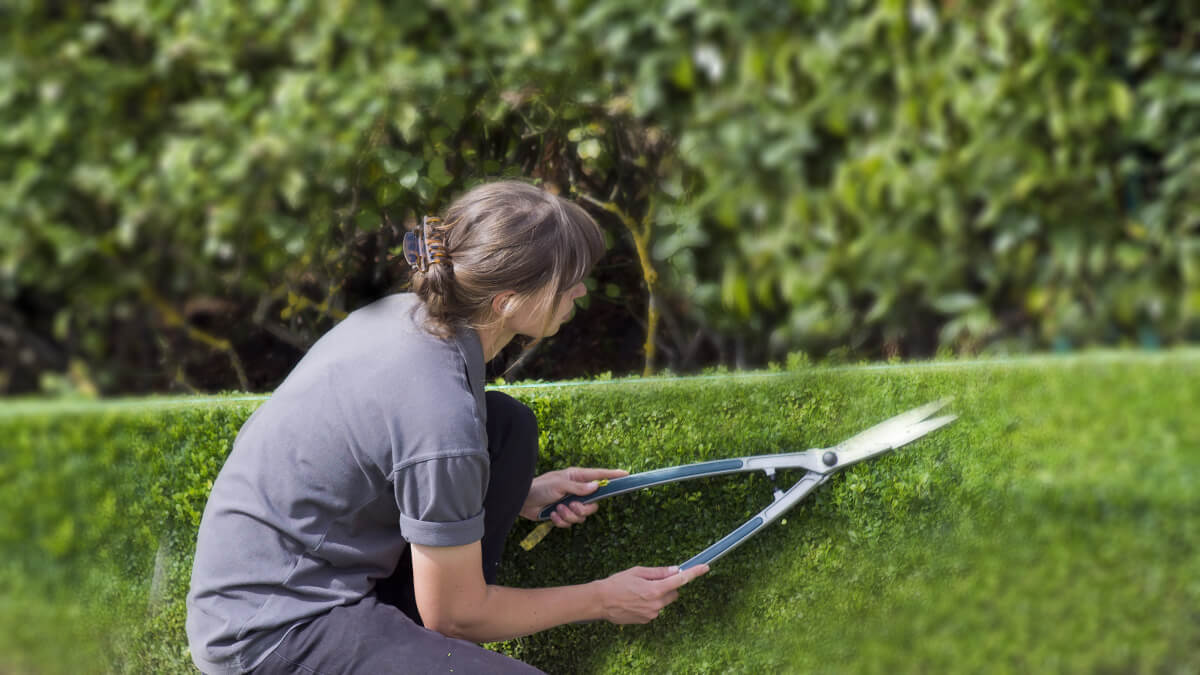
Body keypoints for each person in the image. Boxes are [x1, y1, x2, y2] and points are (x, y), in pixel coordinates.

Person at [186, 180, 709, 674]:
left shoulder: (410, 315)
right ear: (508, 302)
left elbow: (399, 456)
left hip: (299, 570)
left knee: (506, 428)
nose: (579, 293)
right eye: (568, 282)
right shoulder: (440, 414)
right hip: (271, 631)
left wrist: (521, 493)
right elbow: (453, 617)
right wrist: (603, 598)